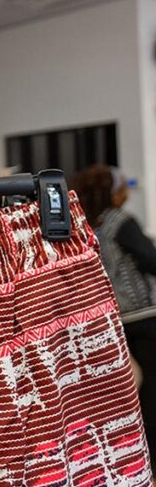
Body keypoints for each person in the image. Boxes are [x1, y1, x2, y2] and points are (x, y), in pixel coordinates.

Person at [74, 164, 156, 456]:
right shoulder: (120, 220)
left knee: (127, 388)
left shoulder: (84, 224)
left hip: (113, 318)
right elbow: (150, 259)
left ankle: (134, 452)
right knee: (152, 388)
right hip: (145, 314)